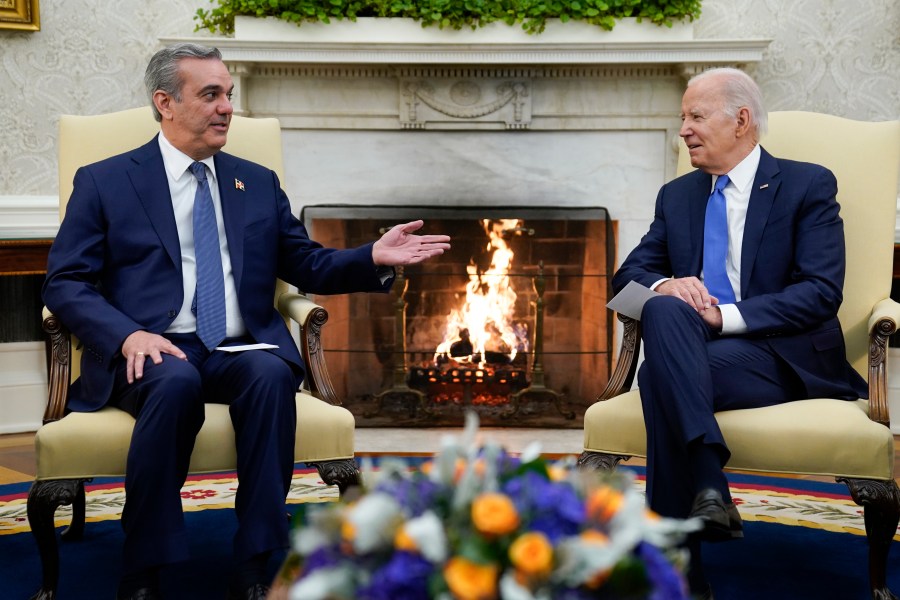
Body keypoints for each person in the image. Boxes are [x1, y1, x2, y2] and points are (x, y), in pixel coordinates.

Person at [42, 42, 451, 600]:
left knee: (269, 376)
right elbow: (65, 282)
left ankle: (257, 564)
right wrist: (127, 334)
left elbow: (302, 262)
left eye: (228, 94)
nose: (226, 107)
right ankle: (146, 567)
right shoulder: (106, 181)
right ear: (165, 102)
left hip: (240, 346)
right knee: (175, 378)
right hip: (154, 347)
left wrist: (370, 257)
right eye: (210, 94)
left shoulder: (254, 182)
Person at [611, 67, 866, 598]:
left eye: (695, 116)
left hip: (780, 357)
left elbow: (821, 292)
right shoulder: (677, 196)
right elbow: (625, 281)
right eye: (683, 117)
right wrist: (667, 284)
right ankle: (707, 486)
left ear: (741, 121)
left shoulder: (807, 184)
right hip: (700, 356)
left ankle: (683, 567)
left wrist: (723, 317)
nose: (683, 130)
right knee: (663, 307)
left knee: (661, 377)